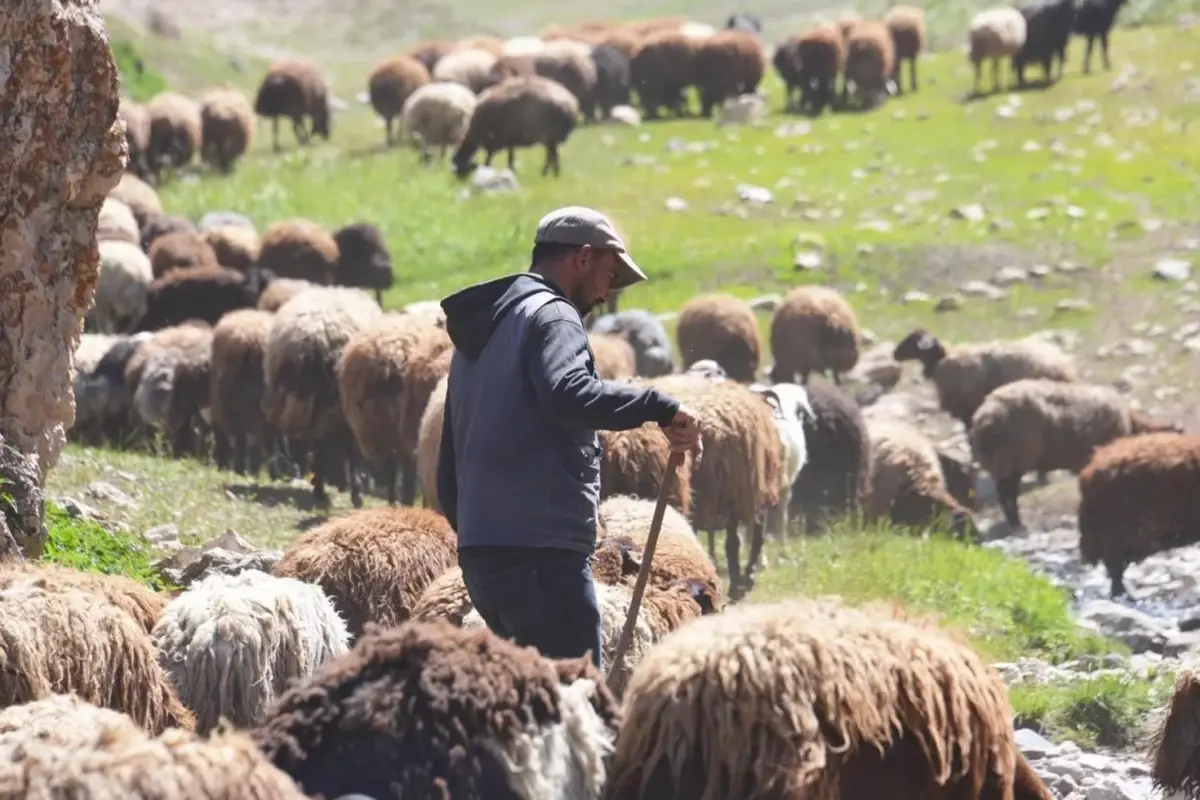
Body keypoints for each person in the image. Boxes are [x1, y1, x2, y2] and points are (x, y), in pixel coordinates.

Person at [435, 205, 703, 672]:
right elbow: (568, 394)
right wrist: (657, 406)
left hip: (486, 558)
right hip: (542, 559)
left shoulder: (486, 330)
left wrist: (480, 539)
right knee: (573, 710)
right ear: (582, 258)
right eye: (608, 274)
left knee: (529, 712)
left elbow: (448, 462)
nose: (605, 295)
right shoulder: (555, 317)